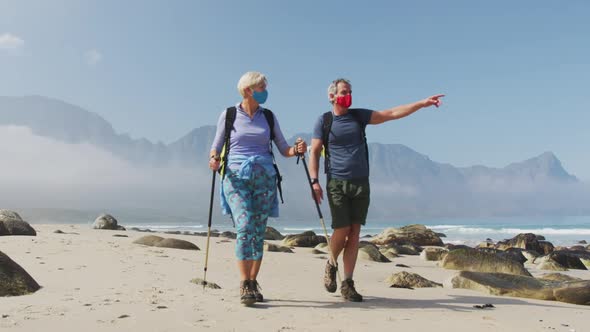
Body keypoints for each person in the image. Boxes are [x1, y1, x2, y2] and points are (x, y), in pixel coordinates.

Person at [308, 78, 444, 302]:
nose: (348, 95)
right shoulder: (324, 121)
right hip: (337, 183)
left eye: (350, 91)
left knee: (354, 234)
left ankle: (348, 283)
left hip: (361, 182)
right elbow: (314, 152)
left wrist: (422, 103)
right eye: (344, 92)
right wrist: (314, 181)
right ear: (332, 96)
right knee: (341, 230)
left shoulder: (359, 116)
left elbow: (390, 113)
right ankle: (331, 264)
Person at [209, 71, 307, 306]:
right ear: (247, 90)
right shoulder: (230, 115)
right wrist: (214, 159)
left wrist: (297, 149)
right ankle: (244, 283)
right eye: (261, 86)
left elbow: (283, 148)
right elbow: (216, 145)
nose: (265, 90)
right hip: (235, 177)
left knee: (258, 231)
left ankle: (253, 282)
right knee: (244, 227)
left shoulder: (269, 117)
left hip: (265, 178)